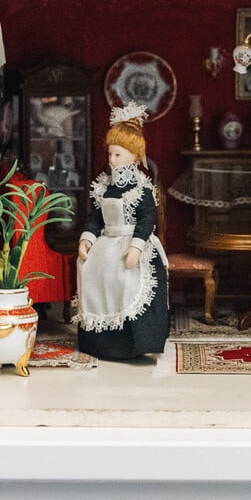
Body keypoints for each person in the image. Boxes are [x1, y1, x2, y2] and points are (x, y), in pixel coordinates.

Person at [75, 104, 169, 361]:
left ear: (134, 156)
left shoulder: (141, 188)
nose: (112, 160)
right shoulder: (103, 186)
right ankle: (101, 343)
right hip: (107, 241)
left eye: (118, 154)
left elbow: (147, 218)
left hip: (130, 242)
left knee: (127, 280)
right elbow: (96, 217)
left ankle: (134, 342)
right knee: (93, 271)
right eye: (110, 154)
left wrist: (136, 246)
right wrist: (87, 238)